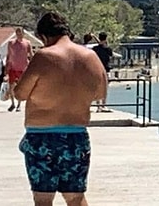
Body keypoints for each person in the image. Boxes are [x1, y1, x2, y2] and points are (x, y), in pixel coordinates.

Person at [13, 11, 107, 206]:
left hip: (41, 138)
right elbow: (100, 93)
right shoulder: (91, 57)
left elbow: (20, 93)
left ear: (43, 36)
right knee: (75, 197)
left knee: (43, 199)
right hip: (76, 136)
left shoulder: (44, 56)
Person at [4, 27, 34, 112]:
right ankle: (13, 103)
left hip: (23, 68)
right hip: (13, 67)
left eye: (20, 33)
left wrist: (33, 66)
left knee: (20, 87)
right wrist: (6, 68)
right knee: (11, 87)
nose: (19, 34)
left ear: (23, 33)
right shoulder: (11, 43)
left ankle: (19, 105)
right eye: (17, 33)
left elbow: (31, 55)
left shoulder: (27, 43)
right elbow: (8, 55)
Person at [91, 33, 114, 113]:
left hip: (96, 69)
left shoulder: (95, 49)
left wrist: (94, 37)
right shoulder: (108, 49)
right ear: (106, 39)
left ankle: (98, 106)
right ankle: (103, 105)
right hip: (106, 70)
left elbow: (99, 46)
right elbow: (111, 54)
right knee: (105, 88)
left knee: (97, 88)